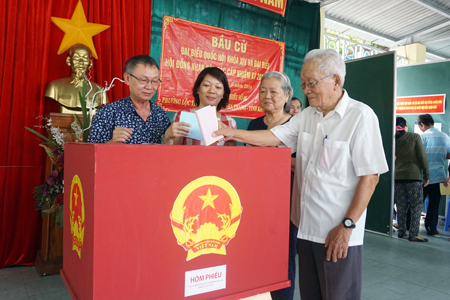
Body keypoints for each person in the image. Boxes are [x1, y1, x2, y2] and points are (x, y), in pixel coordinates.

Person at [214, 49, 388, 300]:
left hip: (337, 232)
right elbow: (273, 137)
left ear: (336, 81)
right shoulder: (308, 116)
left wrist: (347, 226)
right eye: (304, 83)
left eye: (311, 83)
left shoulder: (360, 116)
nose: (305, 90)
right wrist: (231, 133)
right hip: (305, 230)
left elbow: (370, 177)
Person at [247, 71, 297, 300]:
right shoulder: (254, 124)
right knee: (256, 253)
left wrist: (276, 157)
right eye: (263, 91)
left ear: (287, 96)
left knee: (284, 256)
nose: (267, 96)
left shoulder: (296, 124)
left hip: (287, 202)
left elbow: (302, 164)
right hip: (257, 201)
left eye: (274, 91)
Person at [87, 55, 170, 144]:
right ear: (127, 78)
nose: (149, 87)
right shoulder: (108, 113)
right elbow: (91, 154)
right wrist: (112, 142)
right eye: (143, 80)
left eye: (154, 81)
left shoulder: (161, 115)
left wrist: (171, 137)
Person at [163, 67, 236, 146]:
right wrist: (167, 137)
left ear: (223, 94)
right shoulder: (183, 116)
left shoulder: (230, 122)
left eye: (218, 87)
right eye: (206, 85)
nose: (211, 91)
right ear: (198, 89)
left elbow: (231, 155)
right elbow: (174, 149)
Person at [45, 43, 108, 114]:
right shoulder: (55, 87)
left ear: (90, 63)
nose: (81, 62)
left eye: (85, 58)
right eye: (76, 58)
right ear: (68, 61)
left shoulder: (100, 91)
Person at [394, 117, 429, 242]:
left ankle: (401, 231)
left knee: (401, 205)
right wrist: (426, 175)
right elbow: (422, 157)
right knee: (416, 205)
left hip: (397, 176)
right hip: (413, 177)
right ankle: (413, 234)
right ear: (406, 125)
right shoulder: (414, 137)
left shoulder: (393, 139)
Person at [416, 114, 450, 236]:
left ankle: (412, 227)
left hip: (423, 177)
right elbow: (449, 154)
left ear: (422, 125)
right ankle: (431, 228)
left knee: (417, 203)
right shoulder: (445, 137)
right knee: (434, 204)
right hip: (440, 177)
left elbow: (417, 156)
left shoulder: (421, 137)